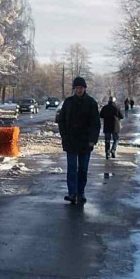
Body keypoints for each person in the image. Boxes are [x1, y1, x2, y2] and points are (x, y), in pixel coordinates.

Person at [57, 76, 100, 205]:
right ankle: (72, 193)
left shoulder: (91, 103)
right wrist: (64, 135)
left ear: (84, 88)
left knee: (83, 169)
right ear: (74, 89)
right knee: (71, 168)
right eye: (76, 88)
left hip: (85, 142)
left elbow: (95, 124)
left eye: (81, 88)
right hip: (70, 141)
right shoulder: (68, 102)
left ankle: (80, 192)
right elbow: (62, 120)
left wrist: (92, 140)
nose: (79, 90)